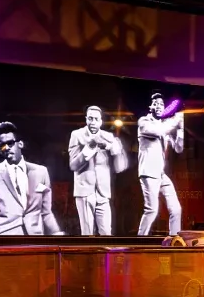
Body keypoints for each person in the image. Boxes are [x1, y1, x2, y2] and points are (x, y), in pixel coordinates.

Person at [0, 121, 62, 235]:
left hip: (34, 239)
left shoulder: (41, 172)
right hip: (3, 238)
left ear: (20, 144)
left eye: (10, 143)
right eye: (1, 145)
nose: (5, 148)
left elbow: (46, 213)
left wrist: (57, 234)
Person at [68, 106, 128, 236]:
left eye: (96, 119)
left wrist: (115, 149)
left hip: (103, 192)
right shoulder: (77, 135)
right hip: (84, 191)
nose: (92, 122)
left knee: (106, 233)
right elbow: (73, 165)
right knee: (87, 234)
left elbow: (120, 168)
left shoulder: (108, 137)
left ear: (101, 121)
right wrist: (90, 147)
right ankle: (88, 257)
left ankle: (106, 257)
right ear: (86, 120)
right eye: (90, 119)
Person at [137, 93, 184, 236]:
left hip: (161, 174)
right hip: (149, 173)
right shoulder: (144, 122)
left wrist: (180, 130)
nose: (159, 106)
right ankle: (140, 239)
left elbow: (179, 148)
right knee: (152, 210)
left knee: (176, 209)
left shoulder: (164, 126)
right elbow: (159, 131)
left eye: (161, 104)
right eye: (156, 103)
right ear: (150, 106)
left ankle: (174, 239)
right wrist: (176, 119)